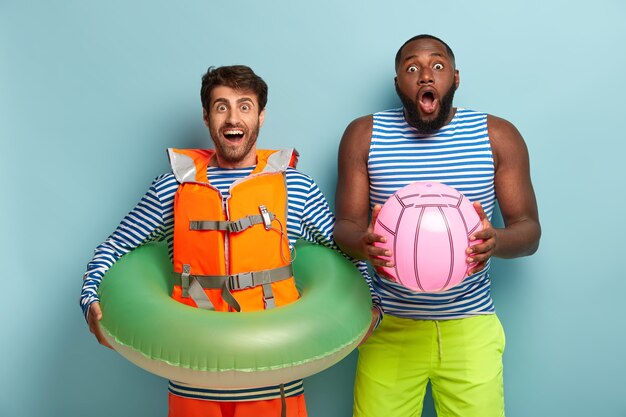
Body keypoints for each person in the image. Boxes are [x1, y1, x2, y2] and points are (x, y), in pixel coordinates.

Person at [80, 65, 372, 417]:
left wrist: (371, 304)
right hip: (192, 365)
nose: (233, 118)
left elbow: (345, 255)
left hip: (274, 364)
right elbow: (115, 246)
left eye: (245, 106)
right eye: (222, 106)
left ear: (261, 116)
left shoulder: (296, 187)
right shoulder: (172, 187)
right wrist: (90, 295)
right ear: (206, 117)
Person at [335, 34, 541, 417]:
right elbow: (343, 227)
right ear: (398, 83)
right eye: (412, 68)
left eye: (438, 66)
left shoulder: (498, 136)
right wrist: (364, 243)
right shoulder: (364, 135)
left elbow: (529, 231)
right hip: (389, 327)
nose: (425, 76)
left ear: (456, 79)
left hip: (470, 327)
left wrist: (495, 240)